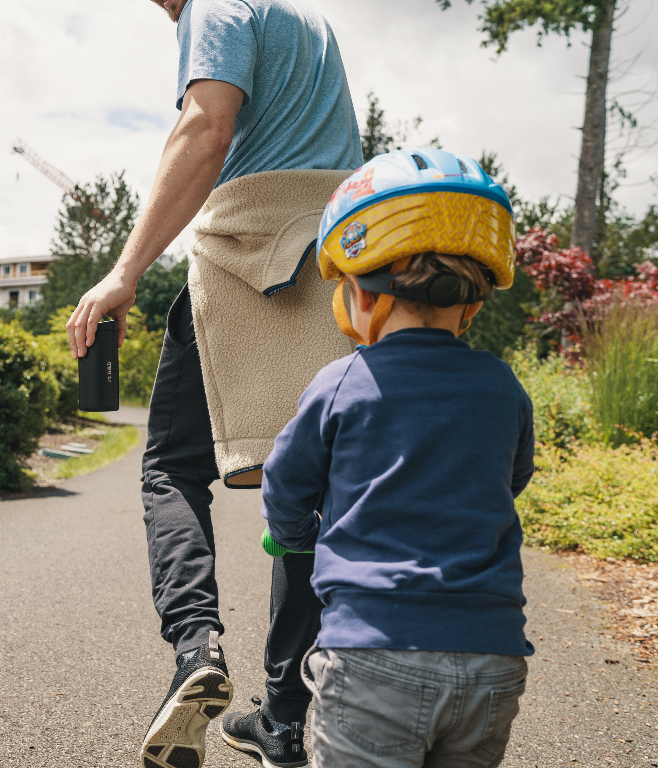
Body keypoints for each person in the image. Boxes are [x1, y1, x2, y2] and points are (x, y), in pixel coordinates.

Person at [65, 2, 363, 767]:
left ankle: (196, 647)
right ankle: (288, 717)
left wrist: (123, 273)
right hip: (333, 260)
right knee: (311, 483)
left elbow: (207, 129)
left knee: (172, 465)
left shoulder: (218, 7)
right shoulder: (309, 21)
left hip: (250, 259)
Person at [261, 148, 536, 768]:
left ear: (360, 291)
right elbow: (510, 478)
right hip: (492, 657)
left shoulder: (342, 381)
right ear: (473, 301)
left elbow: (285, 483)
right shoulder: (502, 385)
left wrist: (295, 536)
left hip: (374, 655)